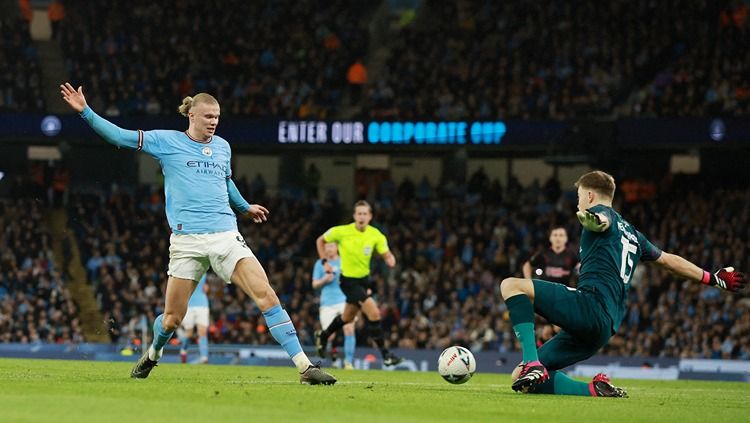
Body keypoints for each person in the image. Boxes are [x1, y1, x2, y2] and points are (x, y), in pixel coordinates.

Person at [60, 83, 335, 385]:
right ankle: (153, 353)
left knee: (267, 296)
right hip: (186, 242)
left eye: (217, 116)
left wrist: (244, 208)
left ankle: (305, 367)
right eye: (208, 116)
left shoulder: (223, 147)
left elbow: (226, 183)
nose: (214, 121)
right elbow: (120, 137)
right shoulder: (166, 141)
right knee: (172, 320)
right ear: (191, 115)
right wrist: (85, 112)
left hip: (225, 236)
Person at [501, 170, 746, 397]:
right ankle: (593, 389)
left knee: (511, 285)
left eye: (578, 196)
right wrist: (712, 278)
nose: (578, 202)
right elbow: (669, 261)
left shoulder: (599, 213)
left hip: (590, 306)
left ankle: (533, 363)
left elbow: (603, 218)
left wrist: (595, 219)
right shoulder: (633, 234)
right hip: (605, 327)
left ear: (589, 194)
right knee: (519, 377)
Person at [314, 200, 403, 366]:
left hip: (363, 281)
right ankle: (386, 355)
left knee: (347, 318)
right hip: (348, 281)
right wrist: (324, 262)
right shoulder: (342, 231)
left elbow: (386, 253)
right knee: (374, 313)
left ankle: (324, 335)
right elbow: (320, 240)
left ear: (370, 216)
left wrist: (390, 259)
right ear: (354, 216)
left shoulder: (376, 235)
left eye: (365, 214)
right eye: (359, 213)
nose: (361, 216)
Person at [312, 242, 356, 369]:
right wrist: (325, 279)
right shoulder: (320, 263)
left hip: (344, 300)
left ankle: (348, 362)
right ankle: (333, 357)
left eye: (331, 246)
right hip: (327, 303)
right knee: (330, 335)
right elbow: (314, 284)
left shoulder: (344, 261)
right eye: (326, 247)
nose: (329, 249)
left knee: (349, 328)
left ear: (337, 247)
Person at [179, 274, 210, 364]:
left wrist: (207, 287)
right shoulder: (185, 269)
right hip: (189, 305)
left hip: (203, 304)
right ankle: (183, 350)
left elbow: (205, 285)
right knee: (189, 333)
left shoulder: (204, 269)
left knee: (203, 332)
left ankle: (204, 357)